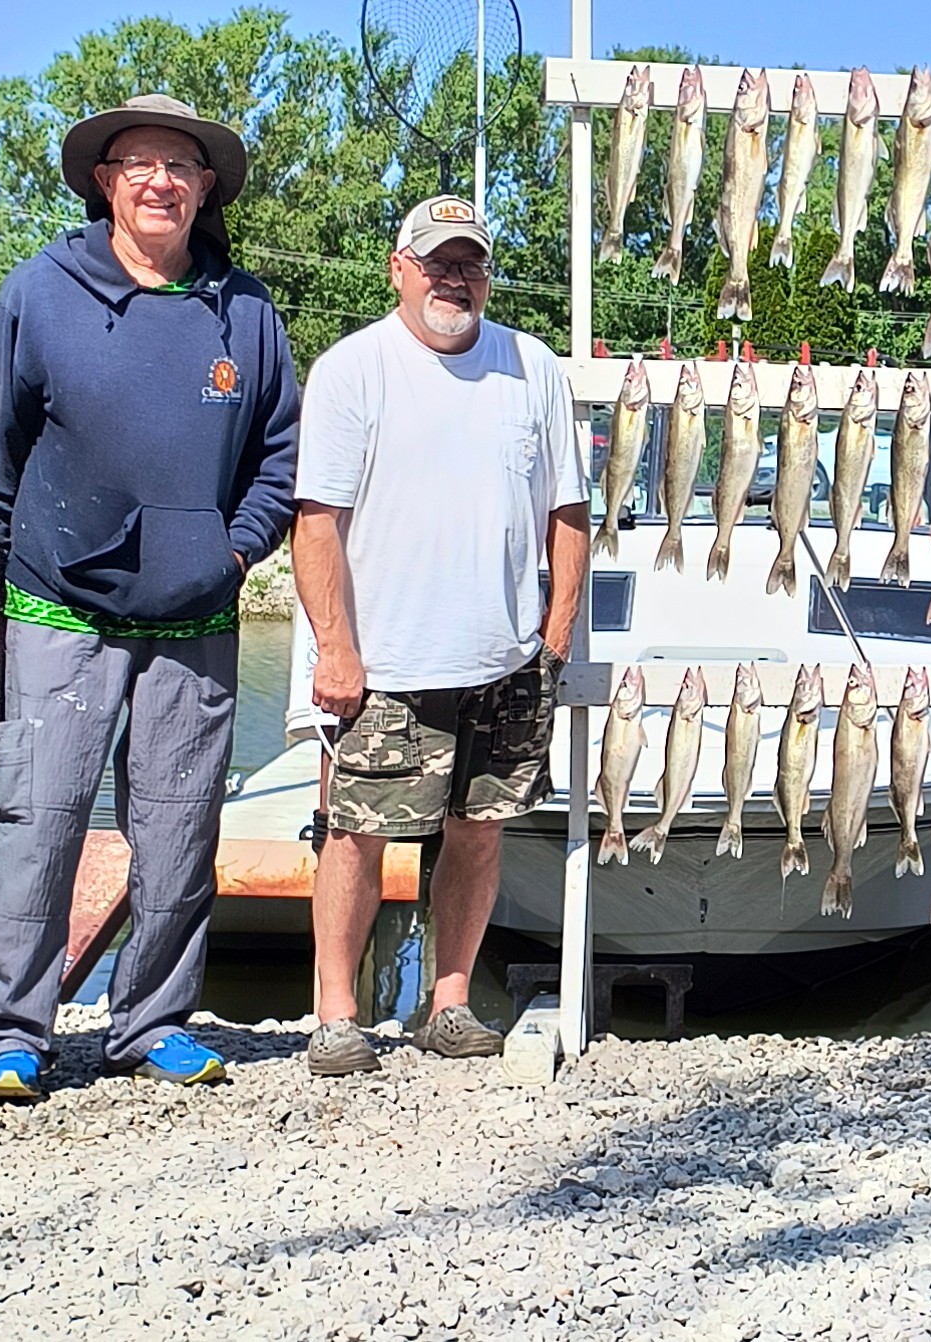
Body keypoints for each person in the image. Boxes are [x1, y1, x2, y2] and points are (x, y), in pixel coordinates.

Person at [0, 94, 300, 1100]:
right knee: (36, 821)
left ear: (206, 189)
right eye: (139, 164)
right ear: (105, 181)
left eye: (179, 168)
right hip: (56, 612)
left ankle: (149, 1022)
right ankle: (10, 1031)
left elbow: (278, 458)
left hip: (197, 617)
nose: (160, 182)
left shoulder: (247, 311)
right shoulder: (41, 291)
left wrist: (233, 555)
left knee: (180, 831)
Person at [294, 197, 591, 1075]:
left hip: (506, 661)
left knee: (479, 831)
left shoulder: (532, 368)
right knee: (355, 834)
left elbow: (567, 510)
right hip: (385, 661)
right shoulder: (353, 369)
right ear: (399, 268)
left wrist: (558, 631)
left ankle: (449, 1001)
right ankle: (337, 1014)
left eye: (469, 263)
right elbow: (316, 524)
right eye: (435, 262)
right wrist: (336, 648)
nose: (452, 278)